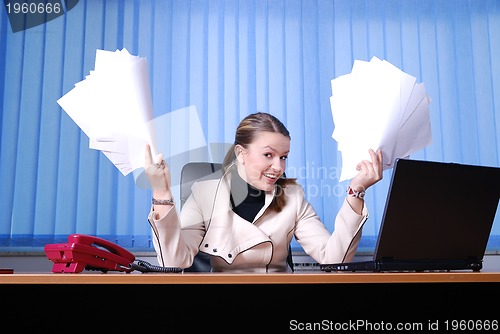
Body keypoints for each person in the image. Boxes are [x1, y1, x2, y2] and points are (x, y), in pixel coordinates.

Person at [145, 112, 383, 273]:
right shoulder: (204, 193)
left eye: (284, 157)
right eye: (268, 155)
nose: (279, 167)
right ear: (241, 153)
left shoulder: (293, 196)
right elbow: (173, 262)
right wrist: (161, 191)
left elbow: (334, 260)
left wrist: (356, 190)